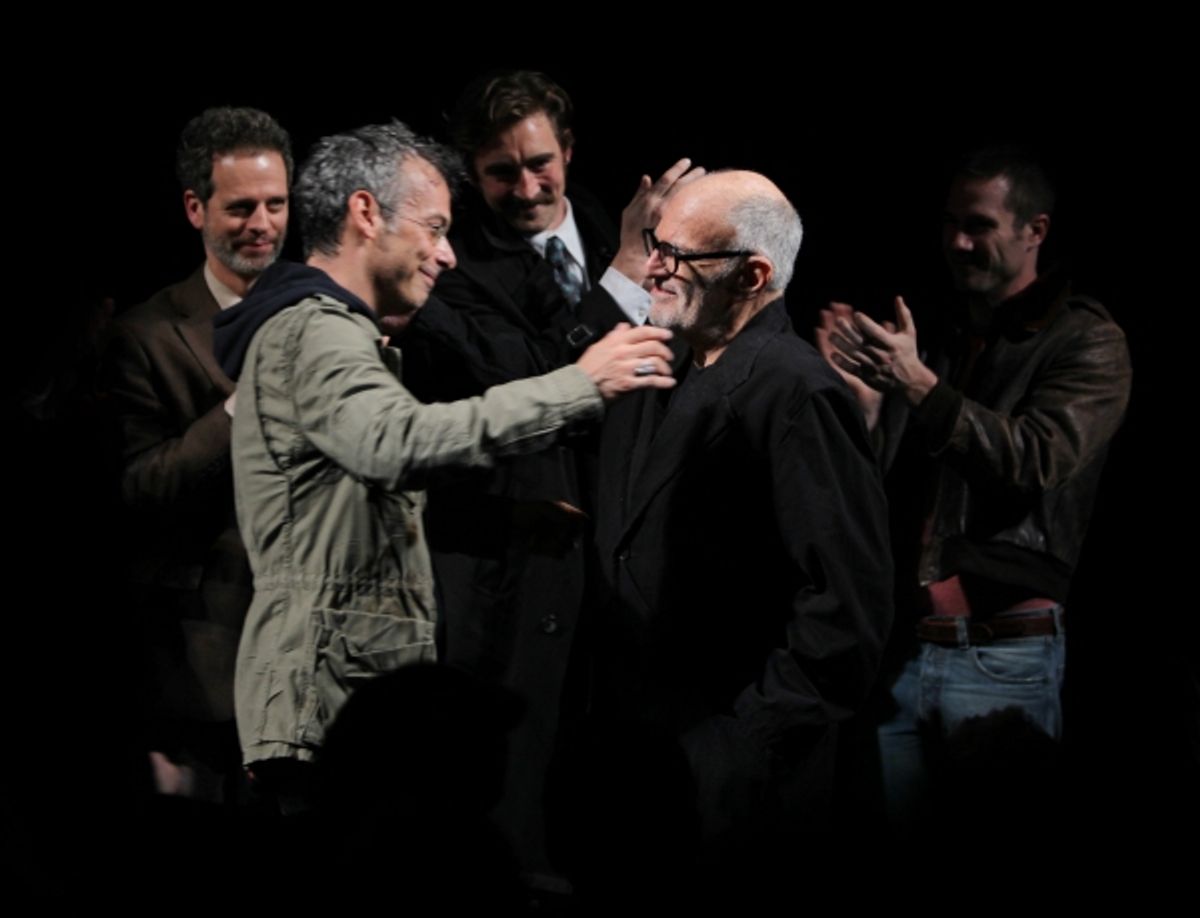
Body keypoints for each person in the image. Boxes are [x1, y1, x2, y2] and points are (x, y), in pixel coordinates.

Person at [210, 121, 676, 810]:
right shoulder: (315, 329)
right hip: (330, 702)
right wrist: (580, 383)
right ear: (366, 213)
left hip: (340, 689)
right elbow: (394, 443)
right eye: (434, 227)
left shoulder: (328, 331)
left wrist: (503, 521)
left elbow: (349, 498)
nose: (448, 255)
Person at [399, 70, 701, 888]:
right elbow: (530, 376)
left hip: (621, 539)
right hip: (511, 554)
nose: (526, 187)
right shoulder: (454, 261)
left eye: (540, 164)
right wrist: (627, 275)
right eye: (501, 172)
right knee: (514, 760)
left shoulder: (610, 224)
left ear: (568, 151)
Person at [587, 170, 893, 883]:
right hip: (638, 758)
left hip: (730, 784)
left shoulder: (797, 393)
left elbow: (847, 610)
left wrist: (740, 748)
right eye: (655, 243)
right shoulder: (661, 361)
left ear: (753, 274)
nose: (654, 265)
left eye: (678, 257)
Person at [818, 147, 1133, 834]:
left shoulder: (1085, 339)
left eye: (981, 225)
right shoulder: (944, 336)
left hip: (1003, 653)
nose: (959, 242)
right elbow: (895, 493)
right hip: (907, 649)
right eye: (951, 223)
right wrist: (866, 409)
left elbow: (1037, 459)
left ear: (1035, 231)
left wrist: (919, 388)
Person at [103, 106, 292, 797]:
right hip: (207, 669)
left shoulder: (324, 313)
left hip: (312, 659)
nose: (263, 224)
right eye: (242, 207)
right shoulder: (145, 337)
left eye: (276, 205)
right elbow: (137, 489)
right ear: (194, 208)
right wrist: (243, 405)